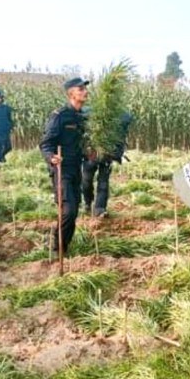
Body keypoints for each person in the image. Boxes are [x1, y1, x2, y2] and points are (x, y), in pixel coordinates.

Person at [39, 77, 90, 254]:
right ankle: (56, 247)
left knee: (74, 211)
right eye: (81, 89)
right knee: (68, 211)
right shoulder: (59, 116)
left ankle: (64, 247)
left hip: (76, 169)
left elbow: (81, 145)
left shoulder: (83, 117)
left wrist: (89, 153)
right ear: (71, 93)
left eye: (85, 88)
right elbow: (45, 143)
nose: (85, 91)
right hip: (61, 169)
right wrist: (50, 157)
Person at [82, 110, 134, 218]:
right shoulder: (93, 120)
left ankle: (99, 209)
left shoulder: (118, 125)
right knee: (86, 181)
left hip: (107, 156)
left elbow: (120, 140)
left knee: (103, 183)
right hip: (91, 156)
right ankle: (88, 203)